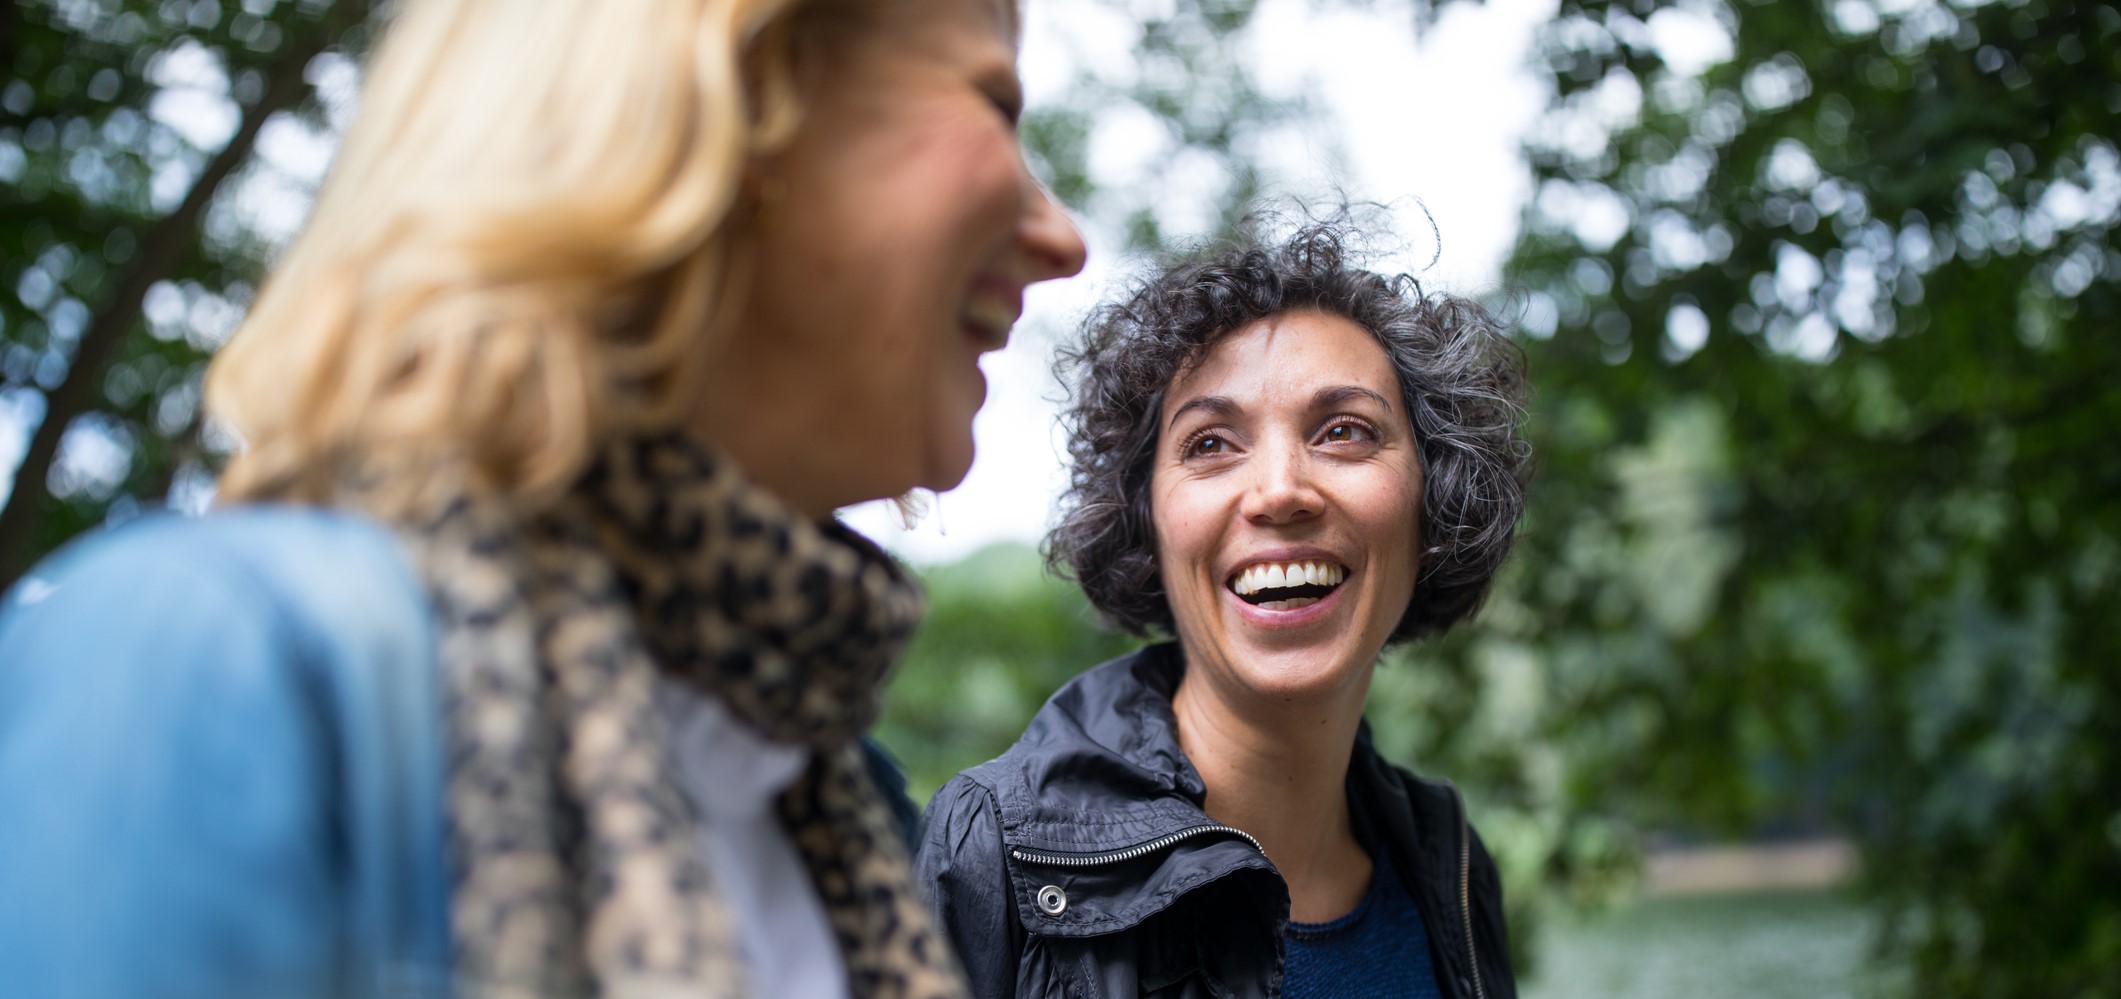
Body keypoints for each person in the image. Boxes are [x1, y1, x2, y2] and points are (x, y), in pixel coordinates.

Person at [0, 0, 1084, 994]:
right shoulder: (216, 663)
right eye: (994, 103)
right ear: (739, 98)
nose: (1063, 240)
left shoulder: (833, 802)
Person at [916, 219, 1527, 998]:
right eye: (1209, 443)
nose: (1279, 489)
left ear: (1431, 502)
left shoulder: (1450, 861)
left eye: (1344, 431)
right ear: (1147, 521)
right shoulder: (993, 852)